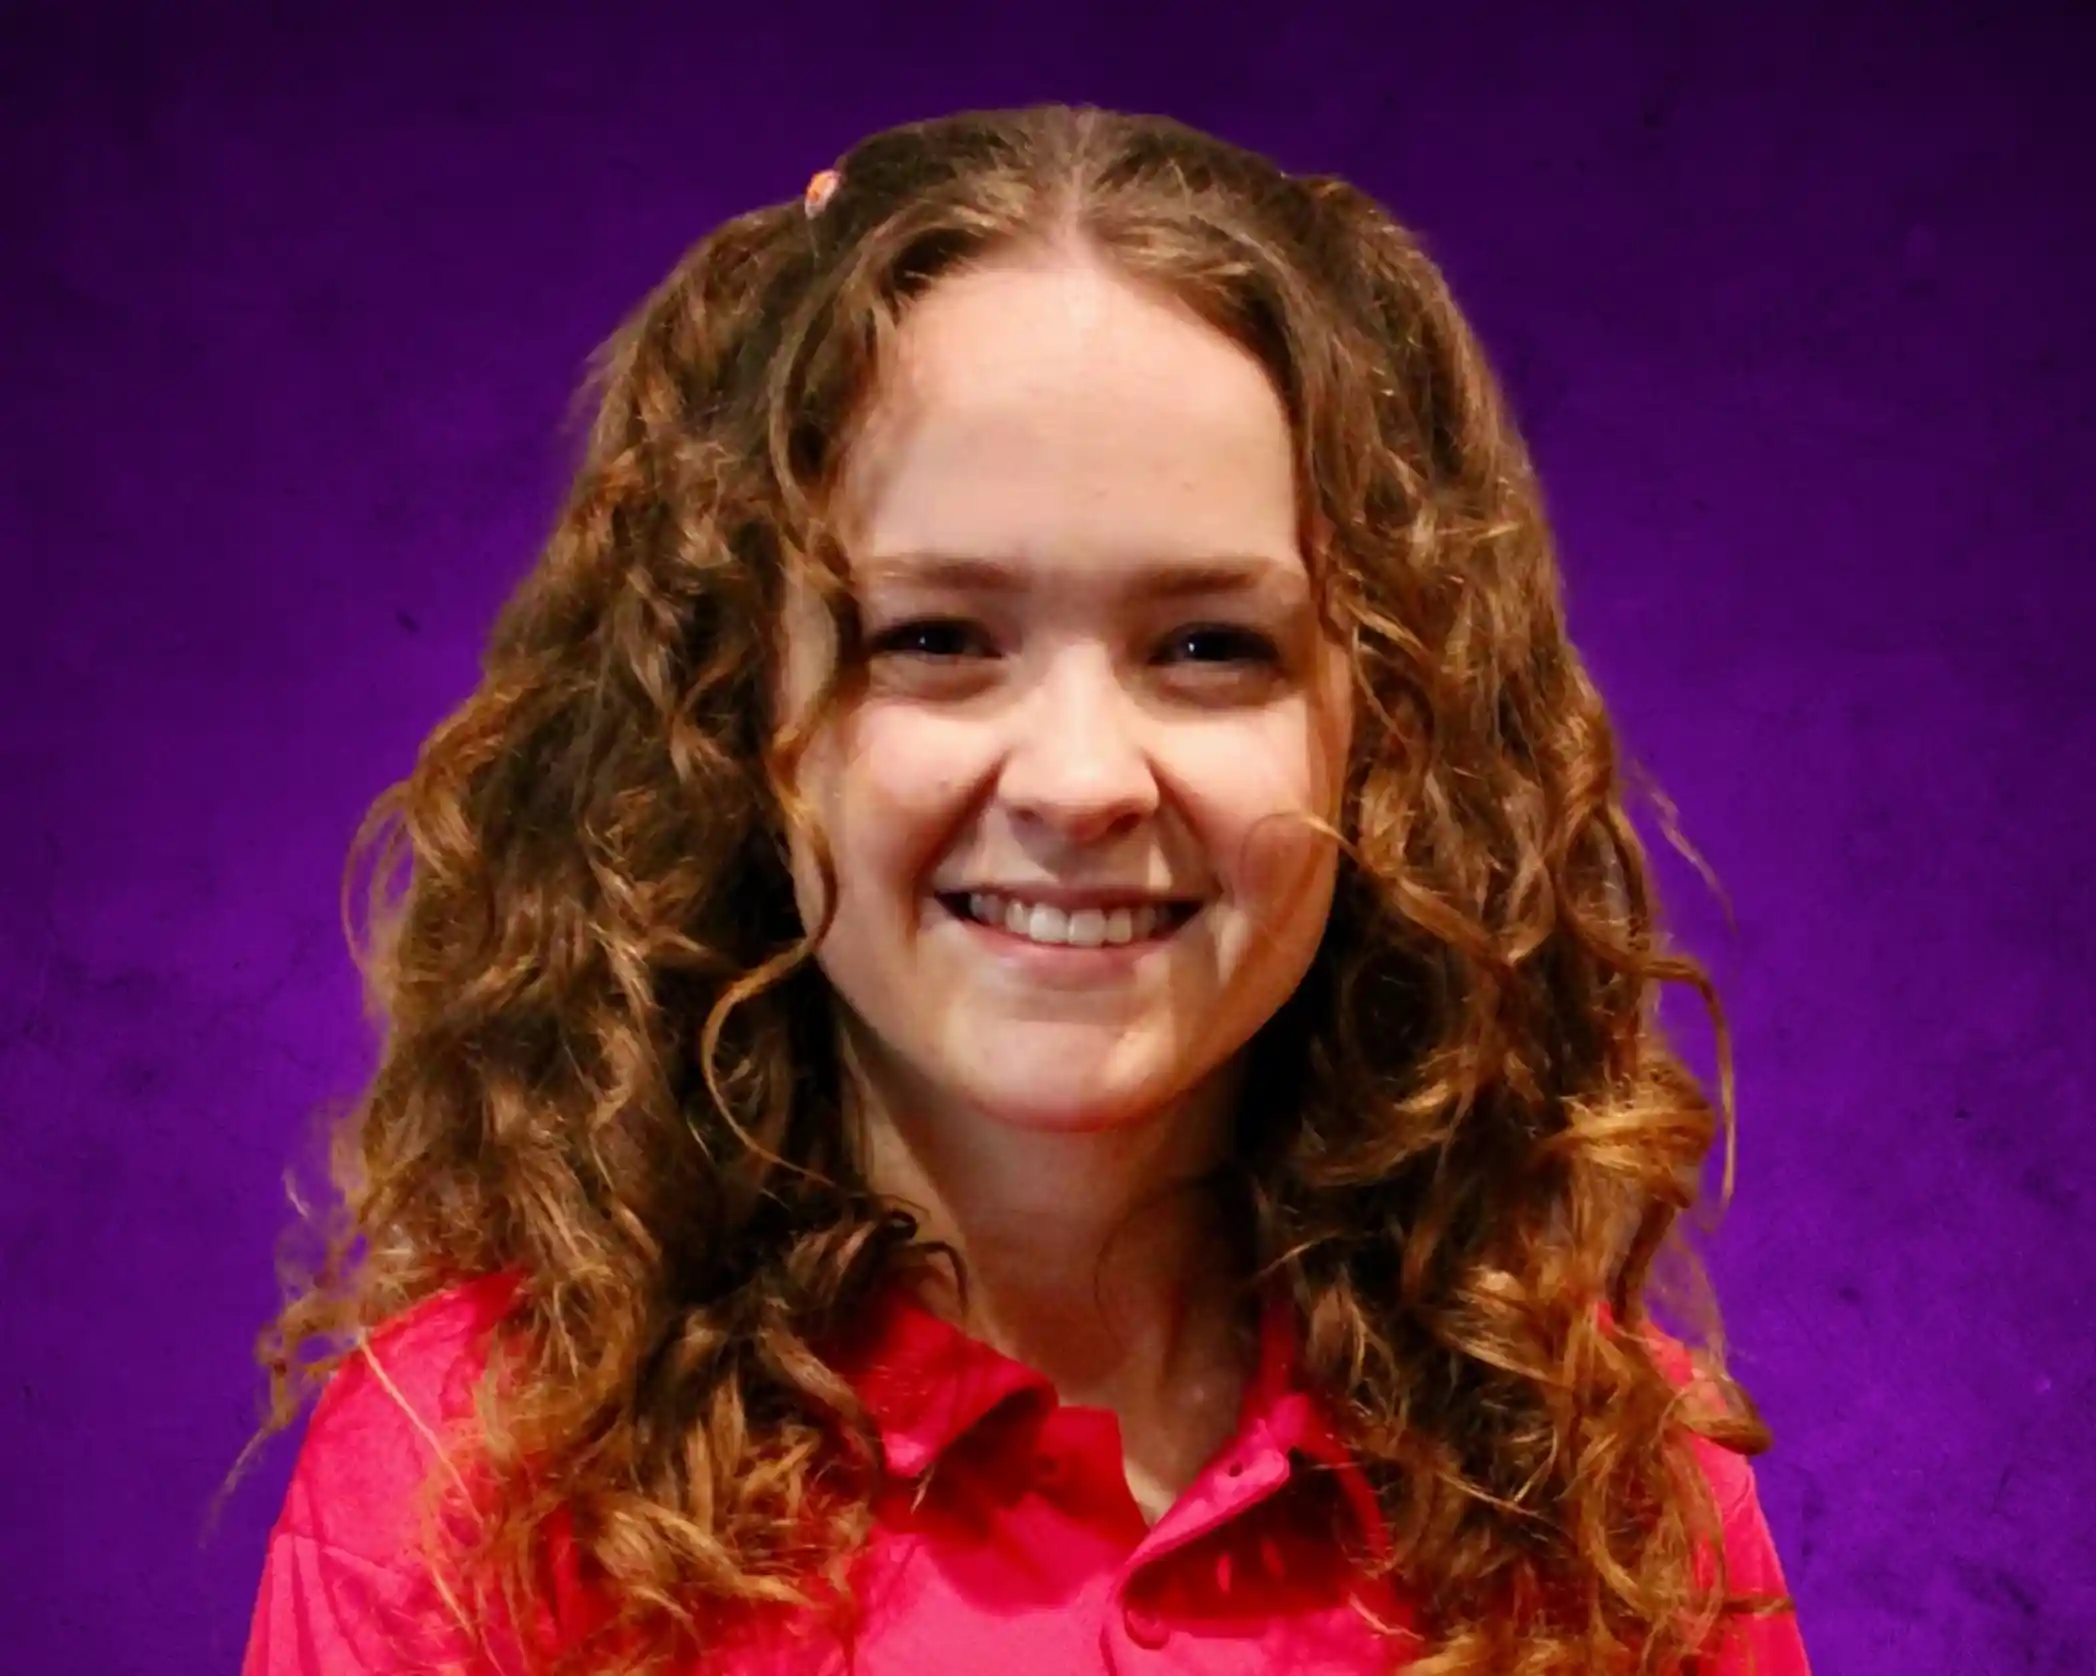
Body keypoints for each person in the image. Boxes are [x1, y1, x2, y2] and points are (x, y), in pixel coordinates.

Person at [230, 104, 1812, 1676]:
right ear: (732, 716)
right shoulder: (470, 1486)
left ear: (1382, 736)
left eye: (1210, 646)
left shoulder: (1620, 1500)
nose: (1078, 779)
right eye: (934, 637)